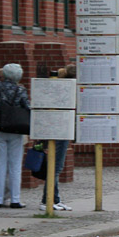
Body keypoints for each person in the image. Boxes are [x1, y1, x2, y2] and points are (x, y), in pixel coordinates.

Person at [0, 63, 30, 208]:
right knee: (15, 164)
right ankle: (15, 199)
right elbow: (27, 106)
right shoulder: (20, 90)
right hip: (16, 129)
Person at [40, 65, 73, 211]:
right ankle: (47, 200)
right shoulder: (65, 90)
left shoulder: (58, 88)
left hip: (60, 128)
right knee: (56, 166)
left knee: (56, 166)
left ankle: (55, 198)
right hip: (60, 129)